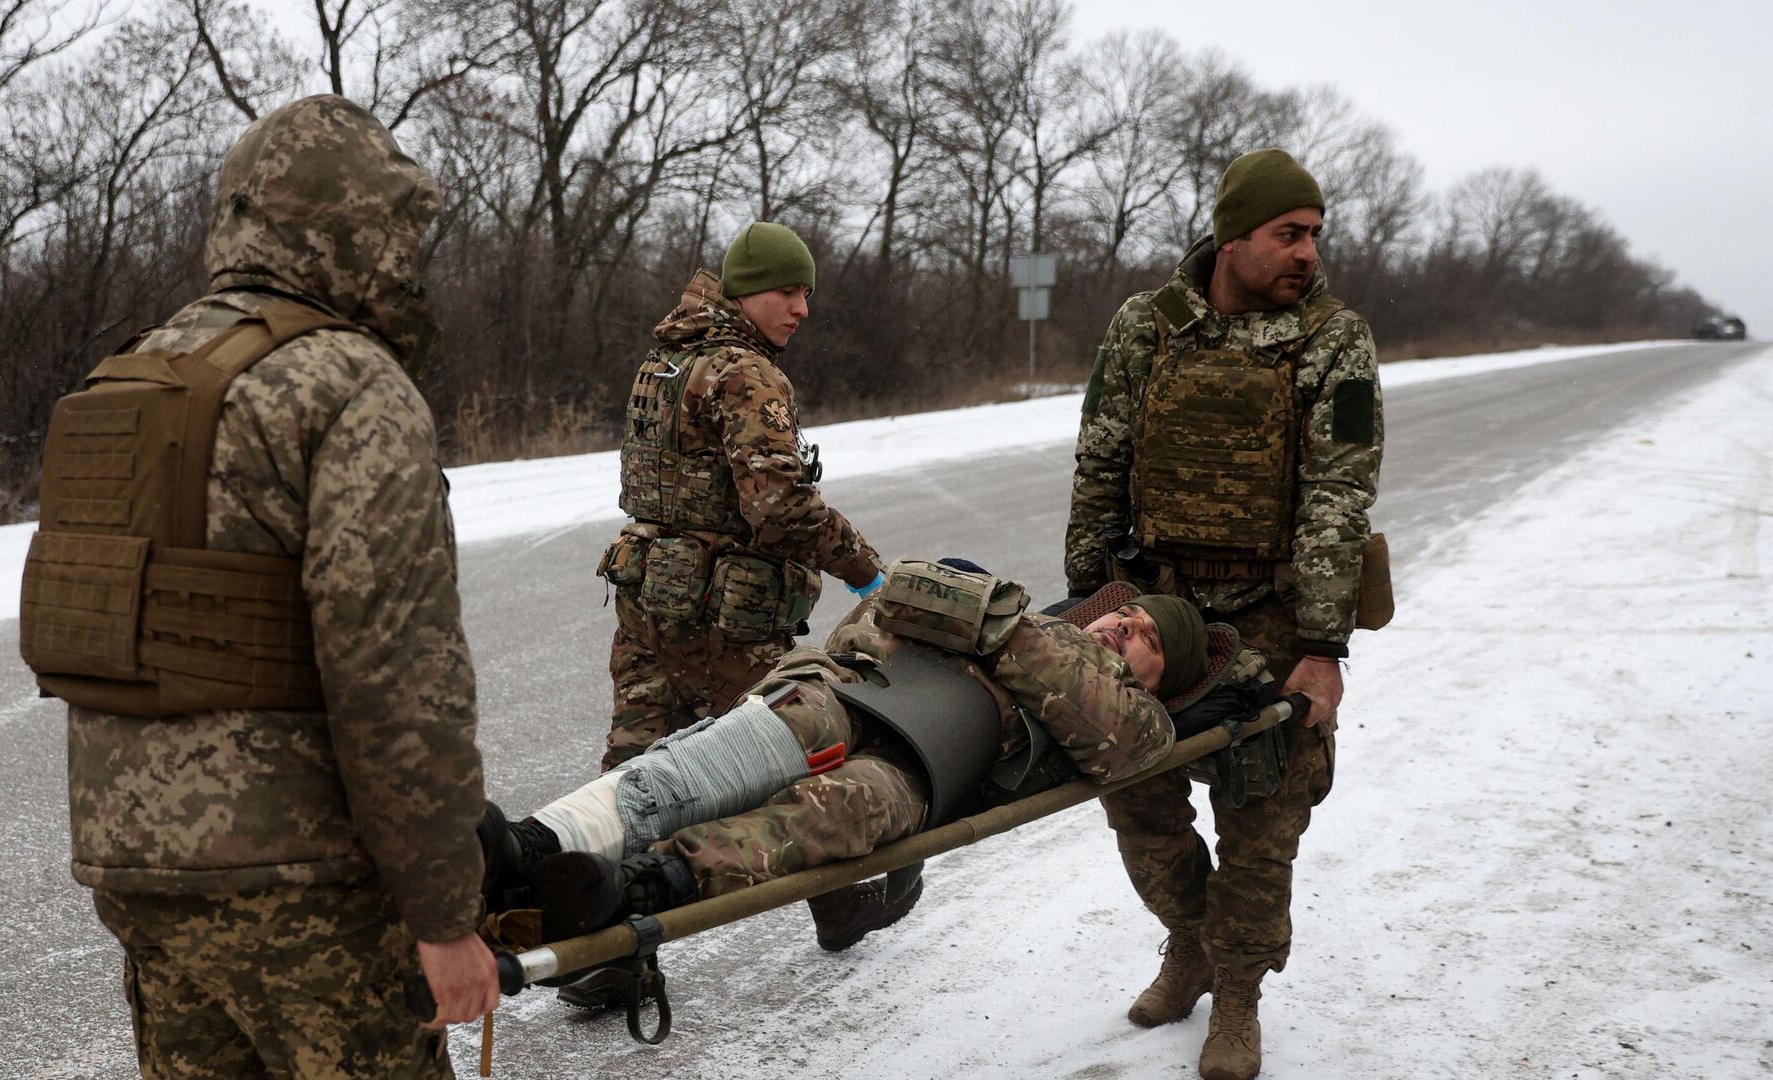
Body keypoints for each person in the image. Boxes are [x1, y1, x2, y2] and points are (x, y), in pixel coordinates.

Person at [18, 96, 496, 1077]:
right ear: (350, 227)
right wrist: (445, 916)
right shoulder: (350, 385)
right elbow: (395, 678)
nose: (411, 258)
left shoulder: (128, 375)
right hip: (299, 886)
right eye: (399, 233)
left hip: (136, 872)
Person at [481, 559, 1273, 954]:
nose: (1119, 629)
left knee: (832, 818)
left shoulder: (1143, 722)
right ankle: (534, 844)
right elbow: (883, 612)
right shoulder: (1038, 626)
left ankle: (640, 885)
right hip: (861, 693)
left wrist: (990, 625)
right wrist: (997, 628)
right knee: (734, 751)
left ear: (1159, 680)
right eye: (1124, 614)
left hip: (927, 773)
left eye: (1144, 640)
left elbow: (1109, 735)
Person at [1064, 148, 1384, 1080]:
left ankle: (1238, 995)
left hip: (1276, 613)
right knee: (1133, 789)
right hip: (1157, 607)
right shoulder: (1145, 327)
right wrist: (1088, 602)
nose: (1308, 254)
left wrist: (1323, 646)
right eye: (1289, 234)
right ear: (1233, 238)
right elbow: (1099, 467)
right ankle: (1189, 942)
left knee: (1261, 813)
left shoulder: (1334, 340)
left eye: (1316, 235)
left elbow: (1338, 496)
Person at [589, 223, 885, 1000]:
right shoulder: (746, 373)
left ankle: (610, 953)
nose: (802, 308)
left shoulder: (664, 361)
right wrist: (865, 570)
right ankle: (841, 902)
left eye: (808, 293)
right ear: (747, 289)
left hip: (651, 603)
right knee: (797, 749)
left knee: (632, 771)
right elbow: (780, 507)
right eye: (788, 291)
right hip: (731, 620)